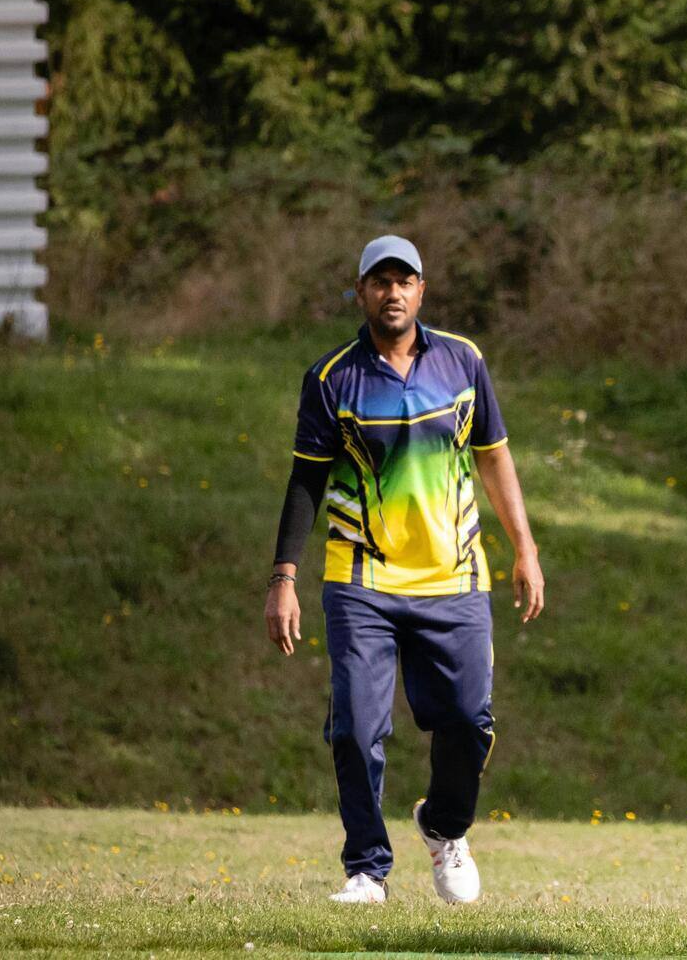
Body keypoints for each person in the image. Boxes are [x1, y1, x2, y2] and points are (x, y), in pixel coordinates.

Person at [263, 234, 546, 905]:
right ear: (360, 291)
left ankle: (445, 829)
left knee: (470, 720)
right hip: (361, 579)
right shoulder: (333, 378)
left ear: (422, 290)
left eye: (405, 280)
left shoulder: (463, 362)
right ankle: (367, 869)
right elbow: (305, 482)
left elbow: (495, 457)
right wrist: (283, 577)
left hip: (455, 578)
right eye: (380, 281)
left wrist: (525, 549)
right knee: (357, 726)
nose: (393, 292)